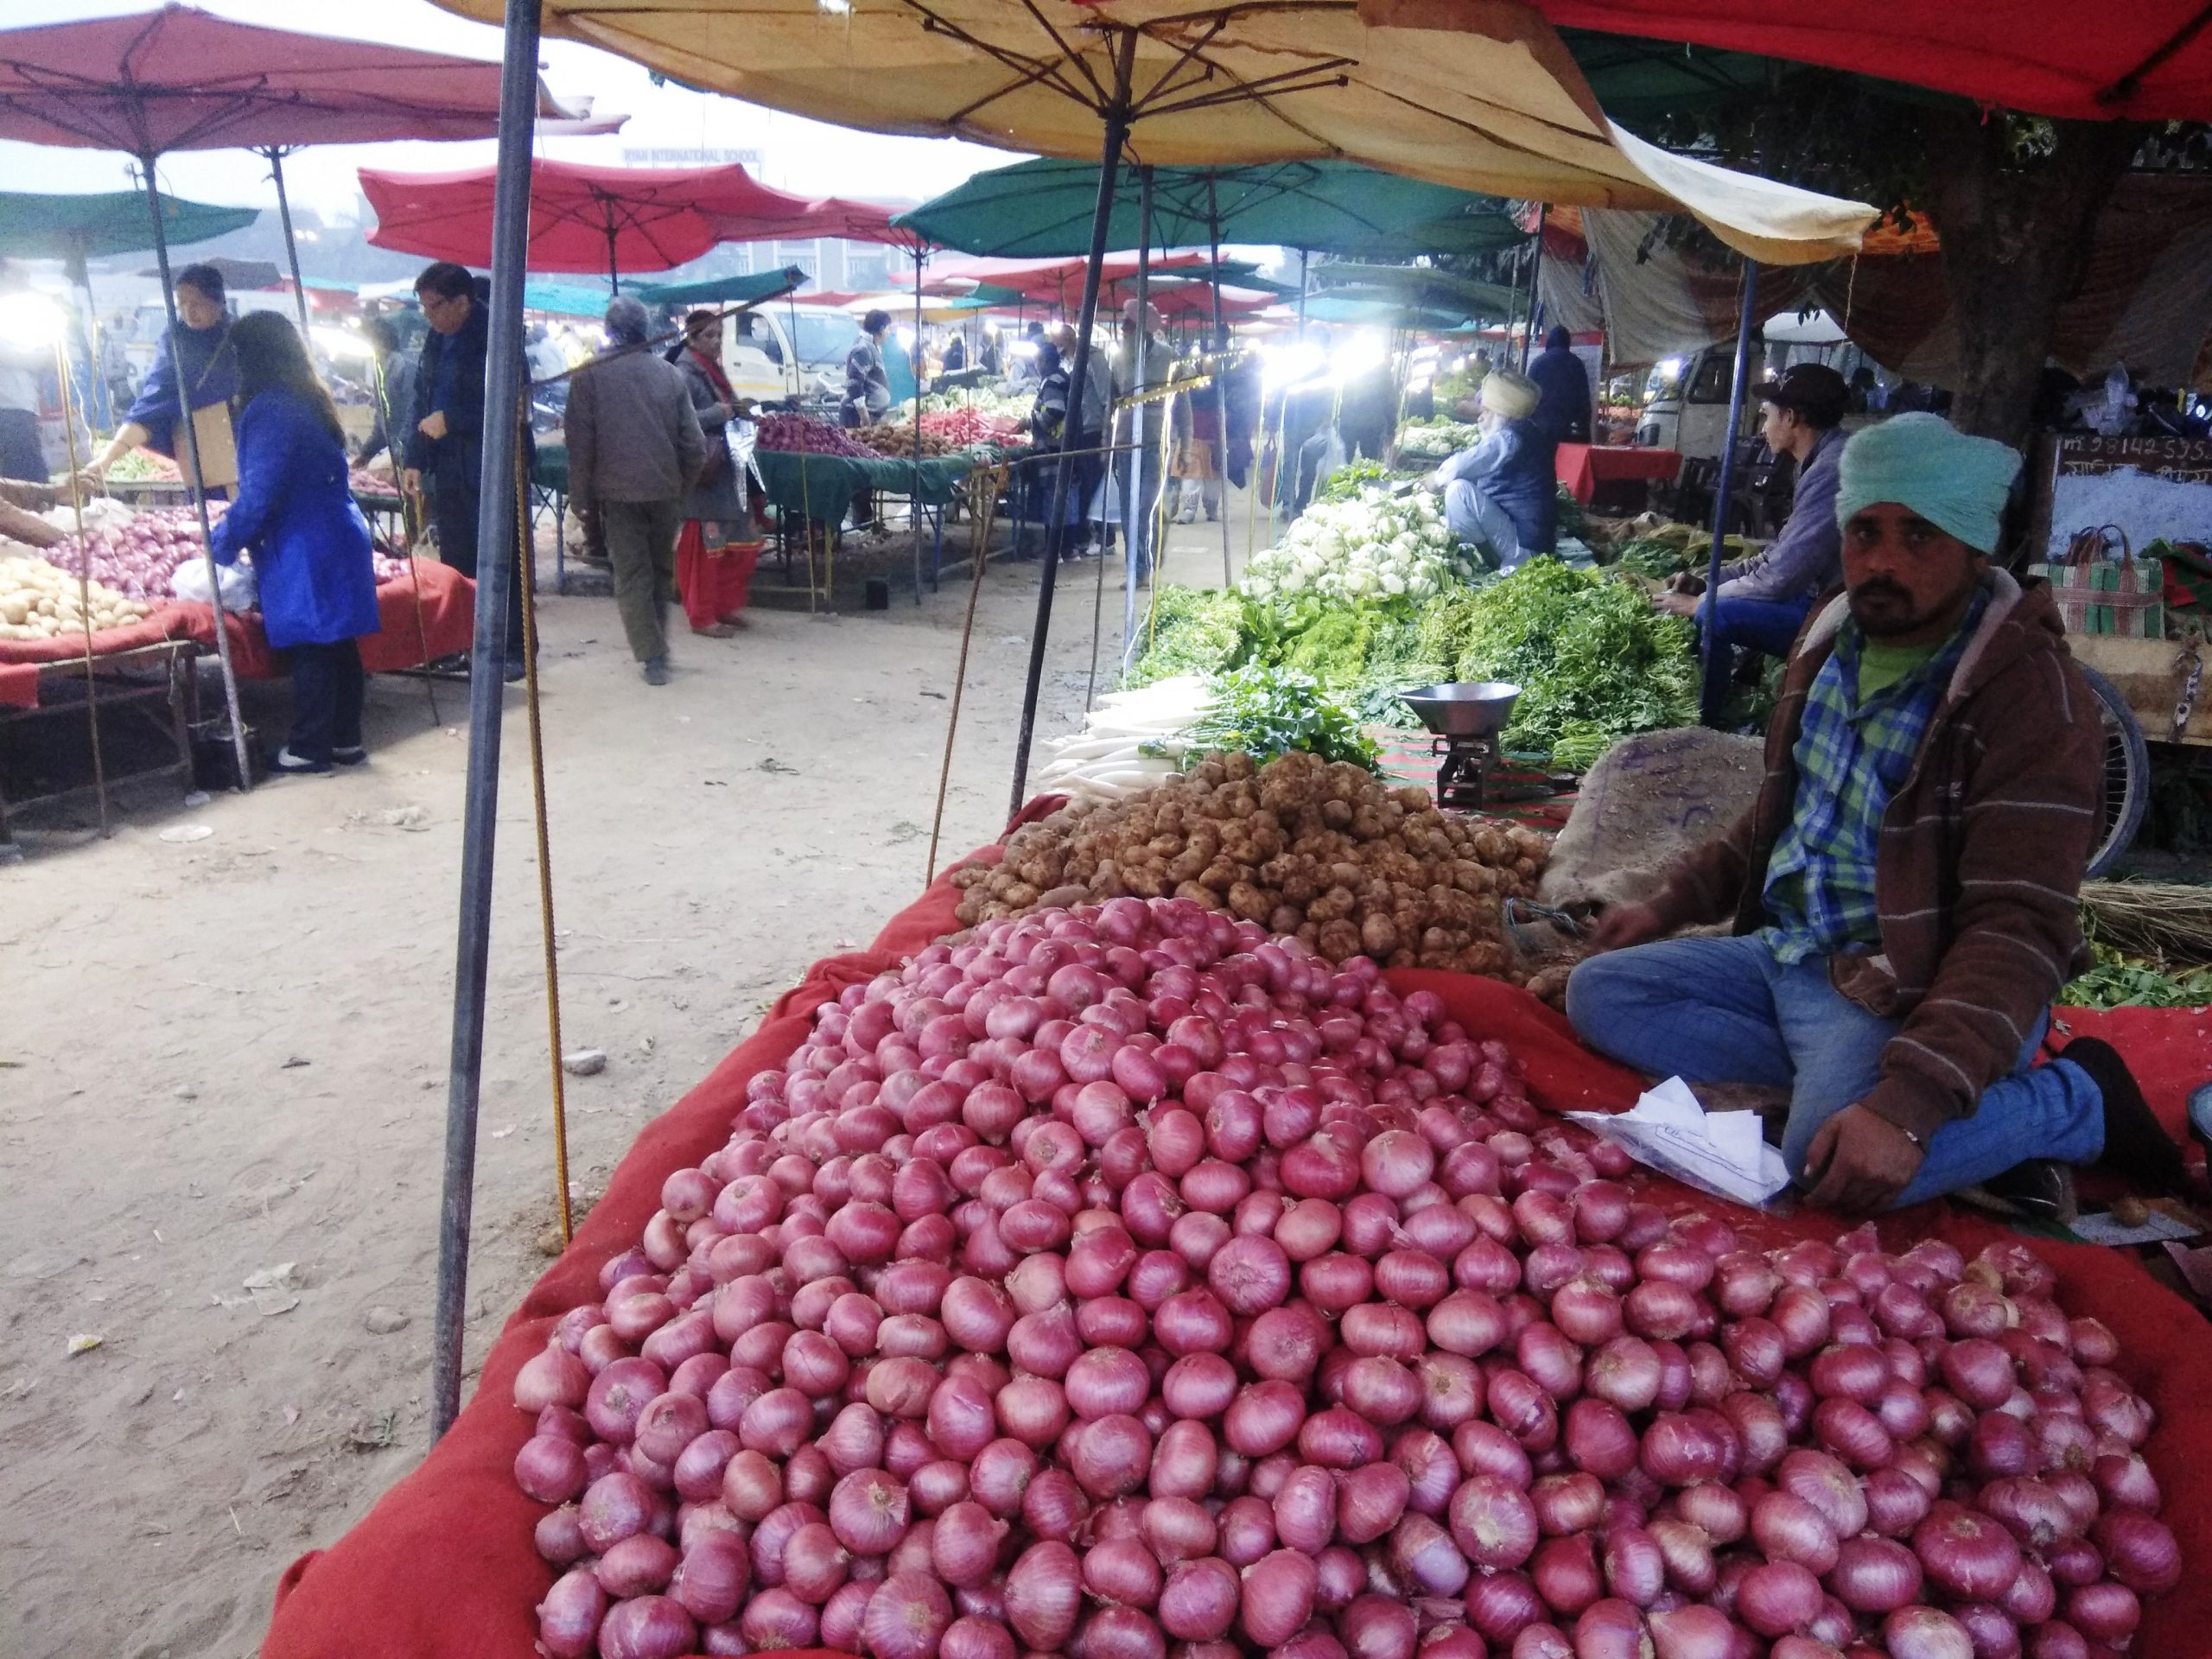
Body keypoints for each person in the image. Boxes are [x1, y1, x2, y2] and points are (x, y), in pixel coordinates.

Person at [1565, 413, 2188, 1220]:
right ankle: (1846, 1084)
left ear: (1974, 548)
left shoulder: (2033, 699)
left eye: (1919, 536)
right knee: (1601, 996)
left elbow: (2018, 923)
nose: (1884, 561)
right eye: (1865, 532)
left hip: (1904, 979)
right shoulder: (1831, 639)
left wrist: (1909, 1106)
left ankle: (2075, 1099)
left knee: (1823, 1165)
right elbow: (1783, 814)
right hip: (1790, 956)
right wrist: (1669, 904)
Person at [209, 313, 379, 775]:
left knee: (313, 643)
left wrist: (219, 544)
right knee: (339, 642)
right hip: (335, 530)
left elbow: (261, 491)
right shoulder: (308, 397)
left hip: (306, 540)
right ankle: (345, 740)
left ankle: (309, 748)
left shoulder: (271, 408)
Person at [1656, 364, 1851, 660]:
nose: (1761, 429)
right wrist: (1708, 581)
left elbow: (1779, 579)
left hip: (1833, 612)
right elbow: (1776, 557)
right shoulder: (1821, 460)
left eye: (1766, 415)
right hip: (1813, 595)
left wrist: (1703, 602)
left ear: (1790, 417)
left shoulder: (1831, 470)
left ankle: (1710, 707)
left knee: (1715, 614)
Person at [564, 296, 705, 685]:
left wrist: (580, 497)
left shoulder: (589, 376)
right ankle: (656, 646)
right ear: (645, 330)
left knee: (631, 575)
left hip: (618, 494)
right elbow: (694, 446)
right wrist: (682, 488)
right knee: (660, 570)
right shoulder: (669, 375)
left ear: (609, 331)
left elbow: (581, 445)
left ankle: (652, 654)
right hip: (665, 489)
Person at [404, 262, 527, 679]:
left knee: (500, 559)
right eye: (423, 308)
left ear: (463, 301)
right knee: (456, 559)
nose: (429, 316)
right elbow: (422, 396)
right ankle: (461, 642)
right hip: (450, 465)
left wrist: (453, 420)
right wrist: (414, 457)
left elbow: (511, 404)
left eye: (435, 306)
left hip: (493, 464)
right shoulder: (436, 339)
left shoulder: (499, 335)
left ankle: (514, 647)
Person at [86, 262, 236, 490]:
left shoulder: (240, 339)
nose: (188, 311)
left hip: (242, 460)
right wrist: (107, 459)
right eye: (181, 304)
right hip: (197, 465)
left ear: (217, 301)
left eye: (197, 303)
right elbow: (152, 405)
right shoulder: (174, 342)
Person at [670, 308, 759, 640]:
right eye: (709, 335)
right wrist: (717, 413)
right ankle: (702, 615)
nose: (717, 341)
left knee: (739, 543)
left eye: (720, 334)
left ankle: (722, 606)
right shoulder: (684, 372)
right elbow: (680, 421)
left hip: (724, 471)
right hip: (703, 474)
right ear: (691, 338)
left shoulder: (712, 370)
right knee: (704, 550)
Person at [1424, 369, 1555, 570]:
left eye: (1486, 410)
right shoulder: (1528, 429)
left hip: (1525, 547)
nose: (1481, 416)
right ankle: (1481, 556)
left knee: (1458, 490)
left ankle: (1469, 561)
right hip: (1529, 536)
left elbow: (1462, 465)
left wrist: (1435, 479)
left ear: (1497, 410)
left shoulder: (1509, 438)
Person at [1114, 299, 1168, 582]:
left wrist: (1183, 441)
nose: (1123, 331)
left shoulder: (1168, 357)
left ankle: (1150, 560)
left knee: (1148, 506)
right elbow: (1110, 402)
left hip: (1156, 441)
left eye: (1129, 326)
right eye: (1123, 325)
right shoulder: (1119, 359)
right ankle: (1136, 569)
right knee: (1128, 510)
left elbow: (1181, 405)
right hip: (1124, 442)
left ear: (1143, 330)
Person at [353, 317, 417, 472]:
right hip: (400, 460)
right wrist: (365, 454)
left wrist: (397, 455)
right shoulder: (380, 372)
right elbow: (383, 424)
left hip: (413, 461)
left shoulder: (405, 369)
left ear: (380, 342)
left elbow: (413, 417)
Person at [1527, 324, 1592, 449]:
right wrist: (1585, 432)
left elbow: (1528, 395)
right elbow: (1584, 400)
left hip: (1541, 426)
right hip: (1569, 429)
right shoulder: (1577, 363)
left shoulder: (1538, 362)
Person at [842, 308, 892, 429]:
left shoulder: (870, 347)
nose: (889, 333)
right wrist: (864, 415)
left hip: (868, 415)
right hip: (856, 417)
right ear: (881, 329)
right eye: (888, 329)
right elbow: (854, 383)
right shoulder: (863, 349)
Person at [99, 312, 136, 420]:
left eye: (119, 320)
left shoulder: (124, 335)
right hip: (112, 371)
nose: (118, 322)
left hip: (120, 371)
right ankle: (115, 410)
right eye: (117, 320)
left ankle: (120, 410)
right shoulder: (109, 336)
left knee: (122, 392)